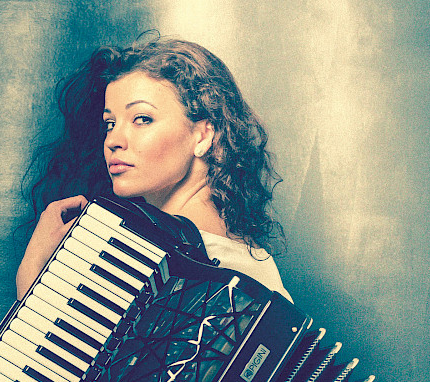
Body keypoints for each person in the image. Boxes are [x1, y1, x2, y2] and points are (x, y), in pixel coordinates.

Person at [15, 37, 291, 302]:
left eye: (142, 119)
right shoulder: (251, 260)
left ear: (203, 136)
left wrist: (31, 276)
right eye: (110, 123)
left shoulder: (169, 264)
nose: (112, 140)